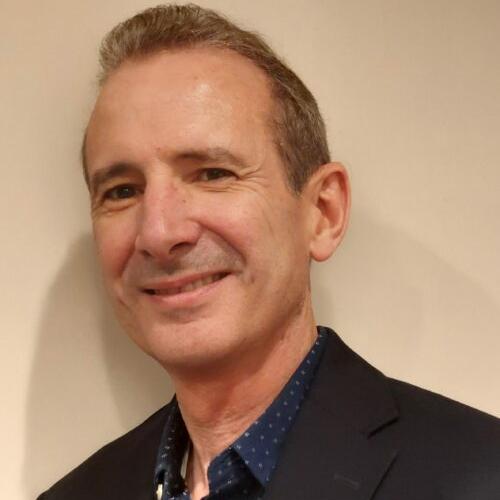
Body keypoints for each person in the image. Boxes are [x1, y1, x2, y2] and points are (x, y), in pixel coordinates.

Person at [38, 4, 499, 499]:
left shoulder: (482, 475)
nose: (159, 232)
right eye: (123, 191)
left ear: (322, 212)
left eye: (213, 174)